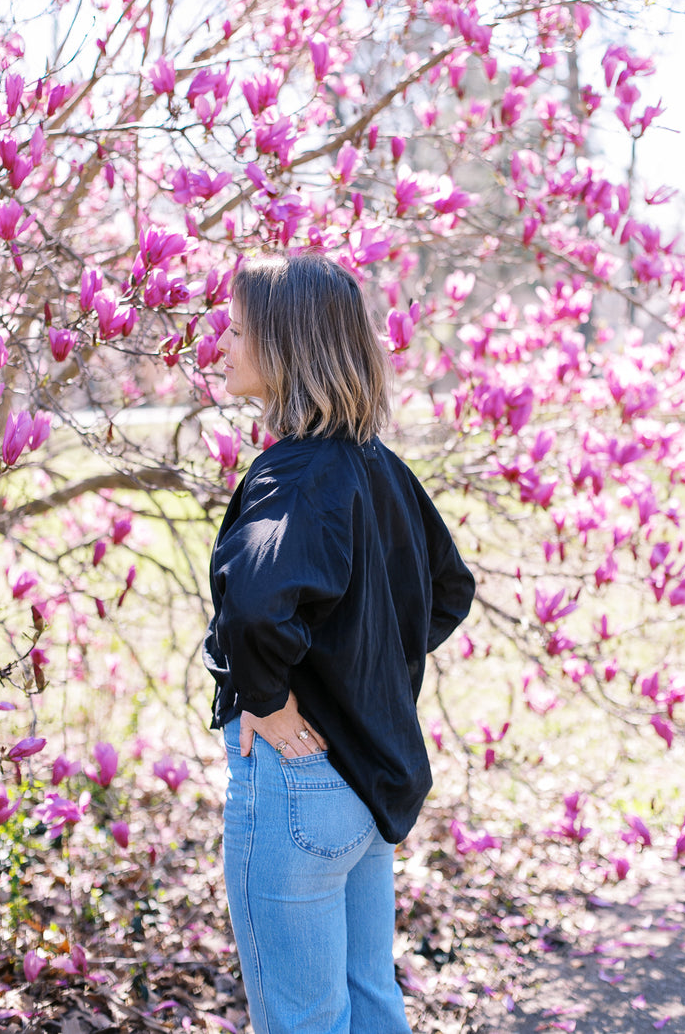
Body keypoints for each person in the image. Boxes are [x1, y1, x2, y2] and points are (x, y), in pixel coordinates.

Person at [203, 252, 475, 1034]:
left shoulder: (294, 475)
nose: (222, 343)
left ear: (286, 346)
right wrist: (361, 675)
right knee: (369, 999)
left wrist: (268, 697)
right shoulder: (377, 467)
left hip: (298, 781)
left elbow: (256, 611)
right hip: (363, 780)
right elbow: (449, 589)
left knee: (305, 1020)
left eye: (239, 330)